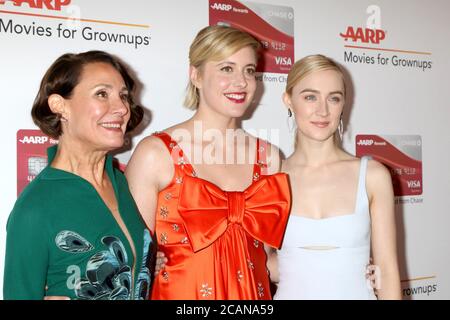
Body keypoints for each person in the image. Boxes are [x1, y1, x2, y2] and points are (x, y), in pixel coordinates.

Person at [125, 25, 291, 300]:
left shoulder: (270, 158)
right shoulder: (156, 154)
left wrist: (342, 264)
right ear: (196, 74)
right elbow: (130, 259)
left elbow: (268, 260)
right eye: (227, 68)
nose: (241, 82)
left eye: (249, 70)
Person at [3, 51, 155, 300]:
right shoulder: (36, 207)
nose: (121, 108)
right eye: (102, 94)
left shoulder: (120, 183)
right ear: (60, 106)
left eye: (123, 96)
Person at [270, 54, 401, 299]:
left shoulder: (372, 176)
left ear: (343, 105)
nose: (323, 110)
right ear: (288, 100)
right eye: (310, 97)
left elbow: (388, 273)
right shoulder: (272, 176)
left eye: (334, 98)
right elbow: (257, 261)